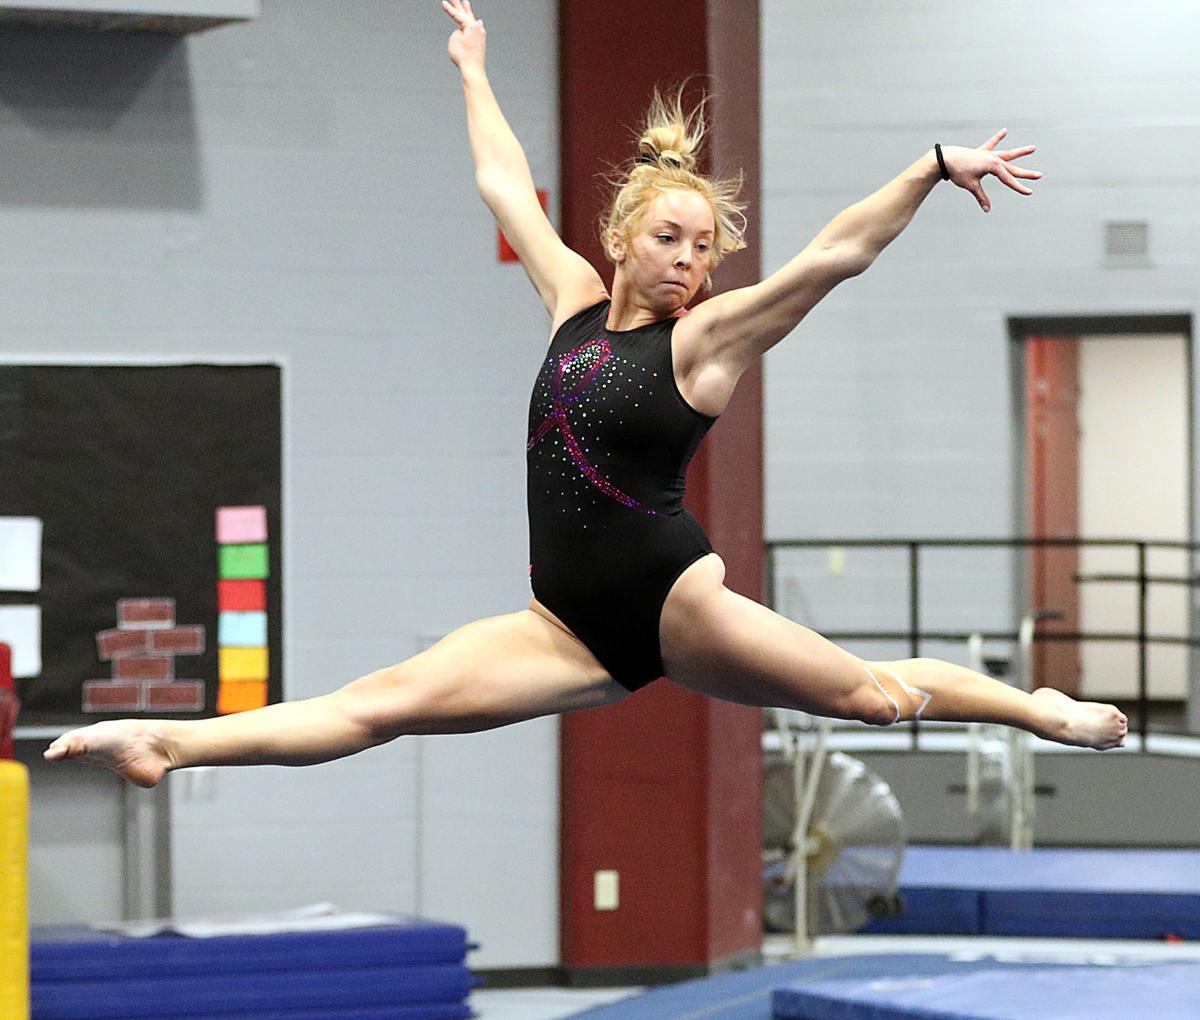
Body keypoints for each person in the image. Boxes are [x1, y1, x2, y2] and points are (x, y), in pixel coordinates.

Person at [43, 0, 1125, 789]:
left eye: (704, 247)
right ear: (619, 239)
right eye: (669, 239)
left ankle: (1037, 710)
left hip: (673, 598)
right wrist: (473, 68)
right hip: (563, 623)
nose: (689, 262)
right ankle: (168, 741)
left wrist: (929, 167)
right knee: (379, 706)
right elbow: (504, 183)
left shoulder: (704, 342)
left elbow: (829, 260)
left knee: (870, 696)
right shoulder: (567, 298)